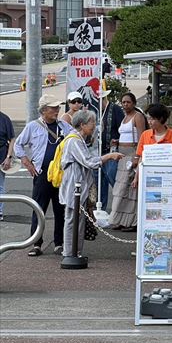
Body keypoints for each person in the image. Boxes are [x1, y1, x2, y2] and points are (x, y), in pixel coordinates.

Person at [14, 94, 74, 256]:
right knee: (38, 207)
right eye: (53, 108)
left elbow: (77, 139)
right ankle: (36, 243)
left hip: (61, 173)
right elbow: (18, 144)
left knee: (60, 208)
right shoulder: (33, 126)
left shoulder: (64, 126)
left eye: (57, 107)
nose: (57, 110)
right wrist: (26, 162)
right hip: (41, 172)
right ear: (44, 110)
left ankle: (59, 243)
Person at [59, 110, 123, 257]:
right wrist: (109, 156)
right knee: (72, 220)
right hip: (73, 186)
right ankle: (70, 253)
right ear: (82, 125)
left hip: (78, 186)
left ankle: (75, 252)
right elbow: (88, 161)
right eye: (92, 123)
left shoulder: (79, 139)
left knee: (78, 220)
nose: (94, 126)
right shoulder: (74, 140)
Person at [109, 93, 147, 231]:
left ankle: (132, 222)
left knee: (130, 188)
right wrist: (117, 142)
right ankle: (119, 219)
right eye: (123, 102)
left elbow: (142, 137)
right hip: (121, 154)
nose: (125, 105)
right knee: (121, 189)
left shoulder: (138, 116)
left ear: (134, 103)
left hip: (132, 154)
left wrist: (138, 156)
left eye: (128, 102)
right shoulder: (125, 117)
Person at [132, 104, 172, 189]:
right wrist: (136, 177)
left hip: (169, 179)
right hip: (149, 178)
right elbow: (141, 158)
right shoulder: (145, 135)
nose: (149, 121)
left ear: (161, 119)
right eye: (148, 118)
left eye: (152, 119)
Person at [96, 90, 125, 208]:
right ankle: (101, 210)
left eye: (99, 99)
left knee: (114, 181)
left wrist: (117, 140)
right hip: (98, 153)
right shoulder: (95, 110)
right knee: (99, 185)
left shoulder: (115, 109)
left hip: (111, 152)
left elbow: (122, 130)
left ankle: (120, 209)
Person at [0, 111, 16, 221]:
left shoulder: (4, 118)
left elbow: (12, 139)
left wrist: (8, 157)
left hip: (1, 156)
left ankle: (0, 211)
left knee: (0, 185)